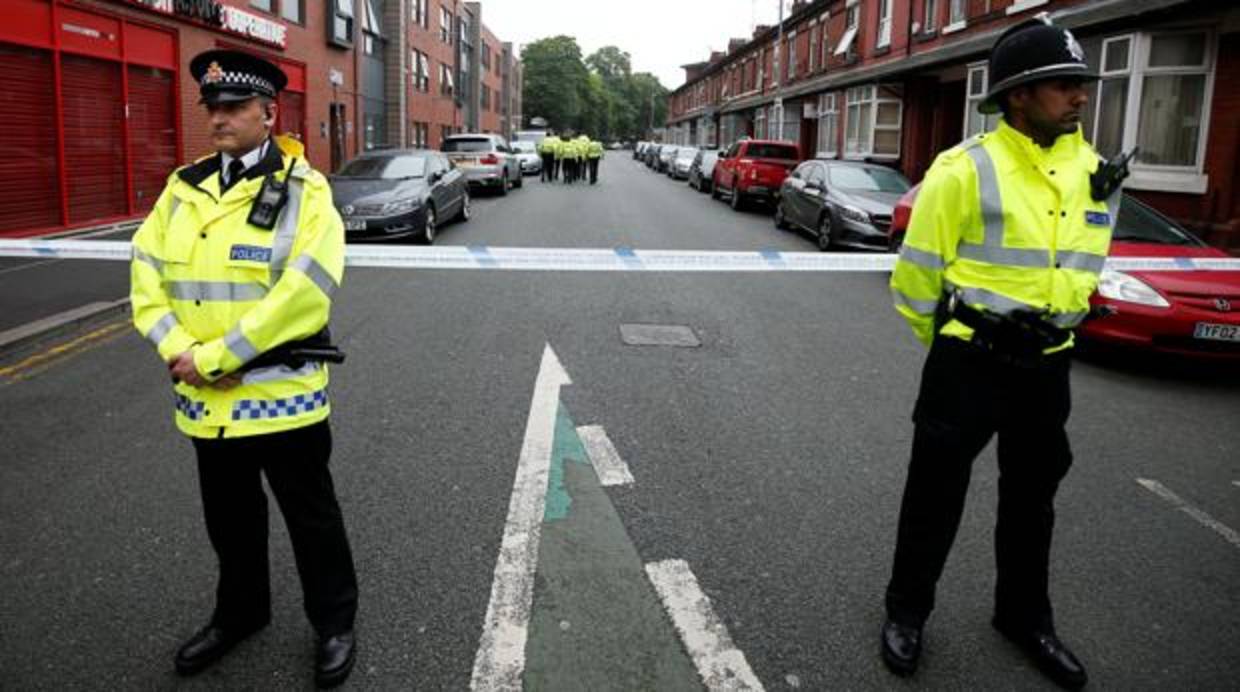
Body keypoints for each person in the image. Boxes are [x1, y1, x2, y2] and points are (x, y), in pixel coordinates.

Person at [882, 14, 1123, 691]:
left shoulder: (1098, 172)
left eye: (1082, 83)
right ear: (1018, 94)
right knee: (934, 493)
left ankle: (1023, 618)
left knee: (1032, 498)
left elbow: (1083, 265)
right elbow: (916, 277)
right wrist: (961, 339)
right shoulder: (962, 169)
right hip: (969, 362)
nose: (1080, 95)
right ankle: (907, 610)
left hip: (1049, 367)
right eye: (1064, 84)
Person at [130, 49, 359, 688]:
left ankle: (334, 622)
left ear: (268, 112)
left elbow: (306, 292)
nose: (219, 119)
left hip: (280, 393)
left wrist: (214, 358)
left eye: (233, 107)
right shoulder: (184, 187)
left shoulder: (307, 191)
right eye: (212, 106)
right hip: (205, 399)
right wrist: (179, 348)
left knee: (311, 517)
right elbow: (146, 275)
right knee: (229, 520)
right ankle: (240, 615)